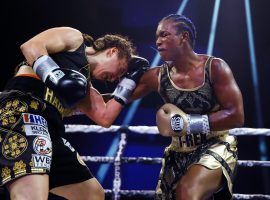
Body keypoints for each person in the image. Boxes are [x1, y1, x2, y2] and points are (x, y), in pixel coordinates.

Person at [0, 27, 149, 200]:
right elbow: (31, 46)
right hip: (23, 110)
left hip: (50, 129)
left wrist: (130, 81)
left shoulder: (82, 85)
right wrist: (55, 76)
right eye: (121, 71)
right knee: (31, 196)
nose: (117, 79)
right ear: (112, 51)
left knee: (90, 194)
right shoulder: (74, 40)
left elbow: (104, 116)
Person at [129, 14, 244, 199]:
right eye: (157, 36)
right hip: (177, 152)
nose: (158, 41)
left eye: (164, 35)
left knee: (187, 191)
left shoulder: (215, 68)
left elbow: (236, 115)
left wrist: (188, 124)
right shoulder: (157, 76)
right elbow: (115, 100)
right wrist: (123, 79)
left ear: (184, 37)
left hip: (214, 145)